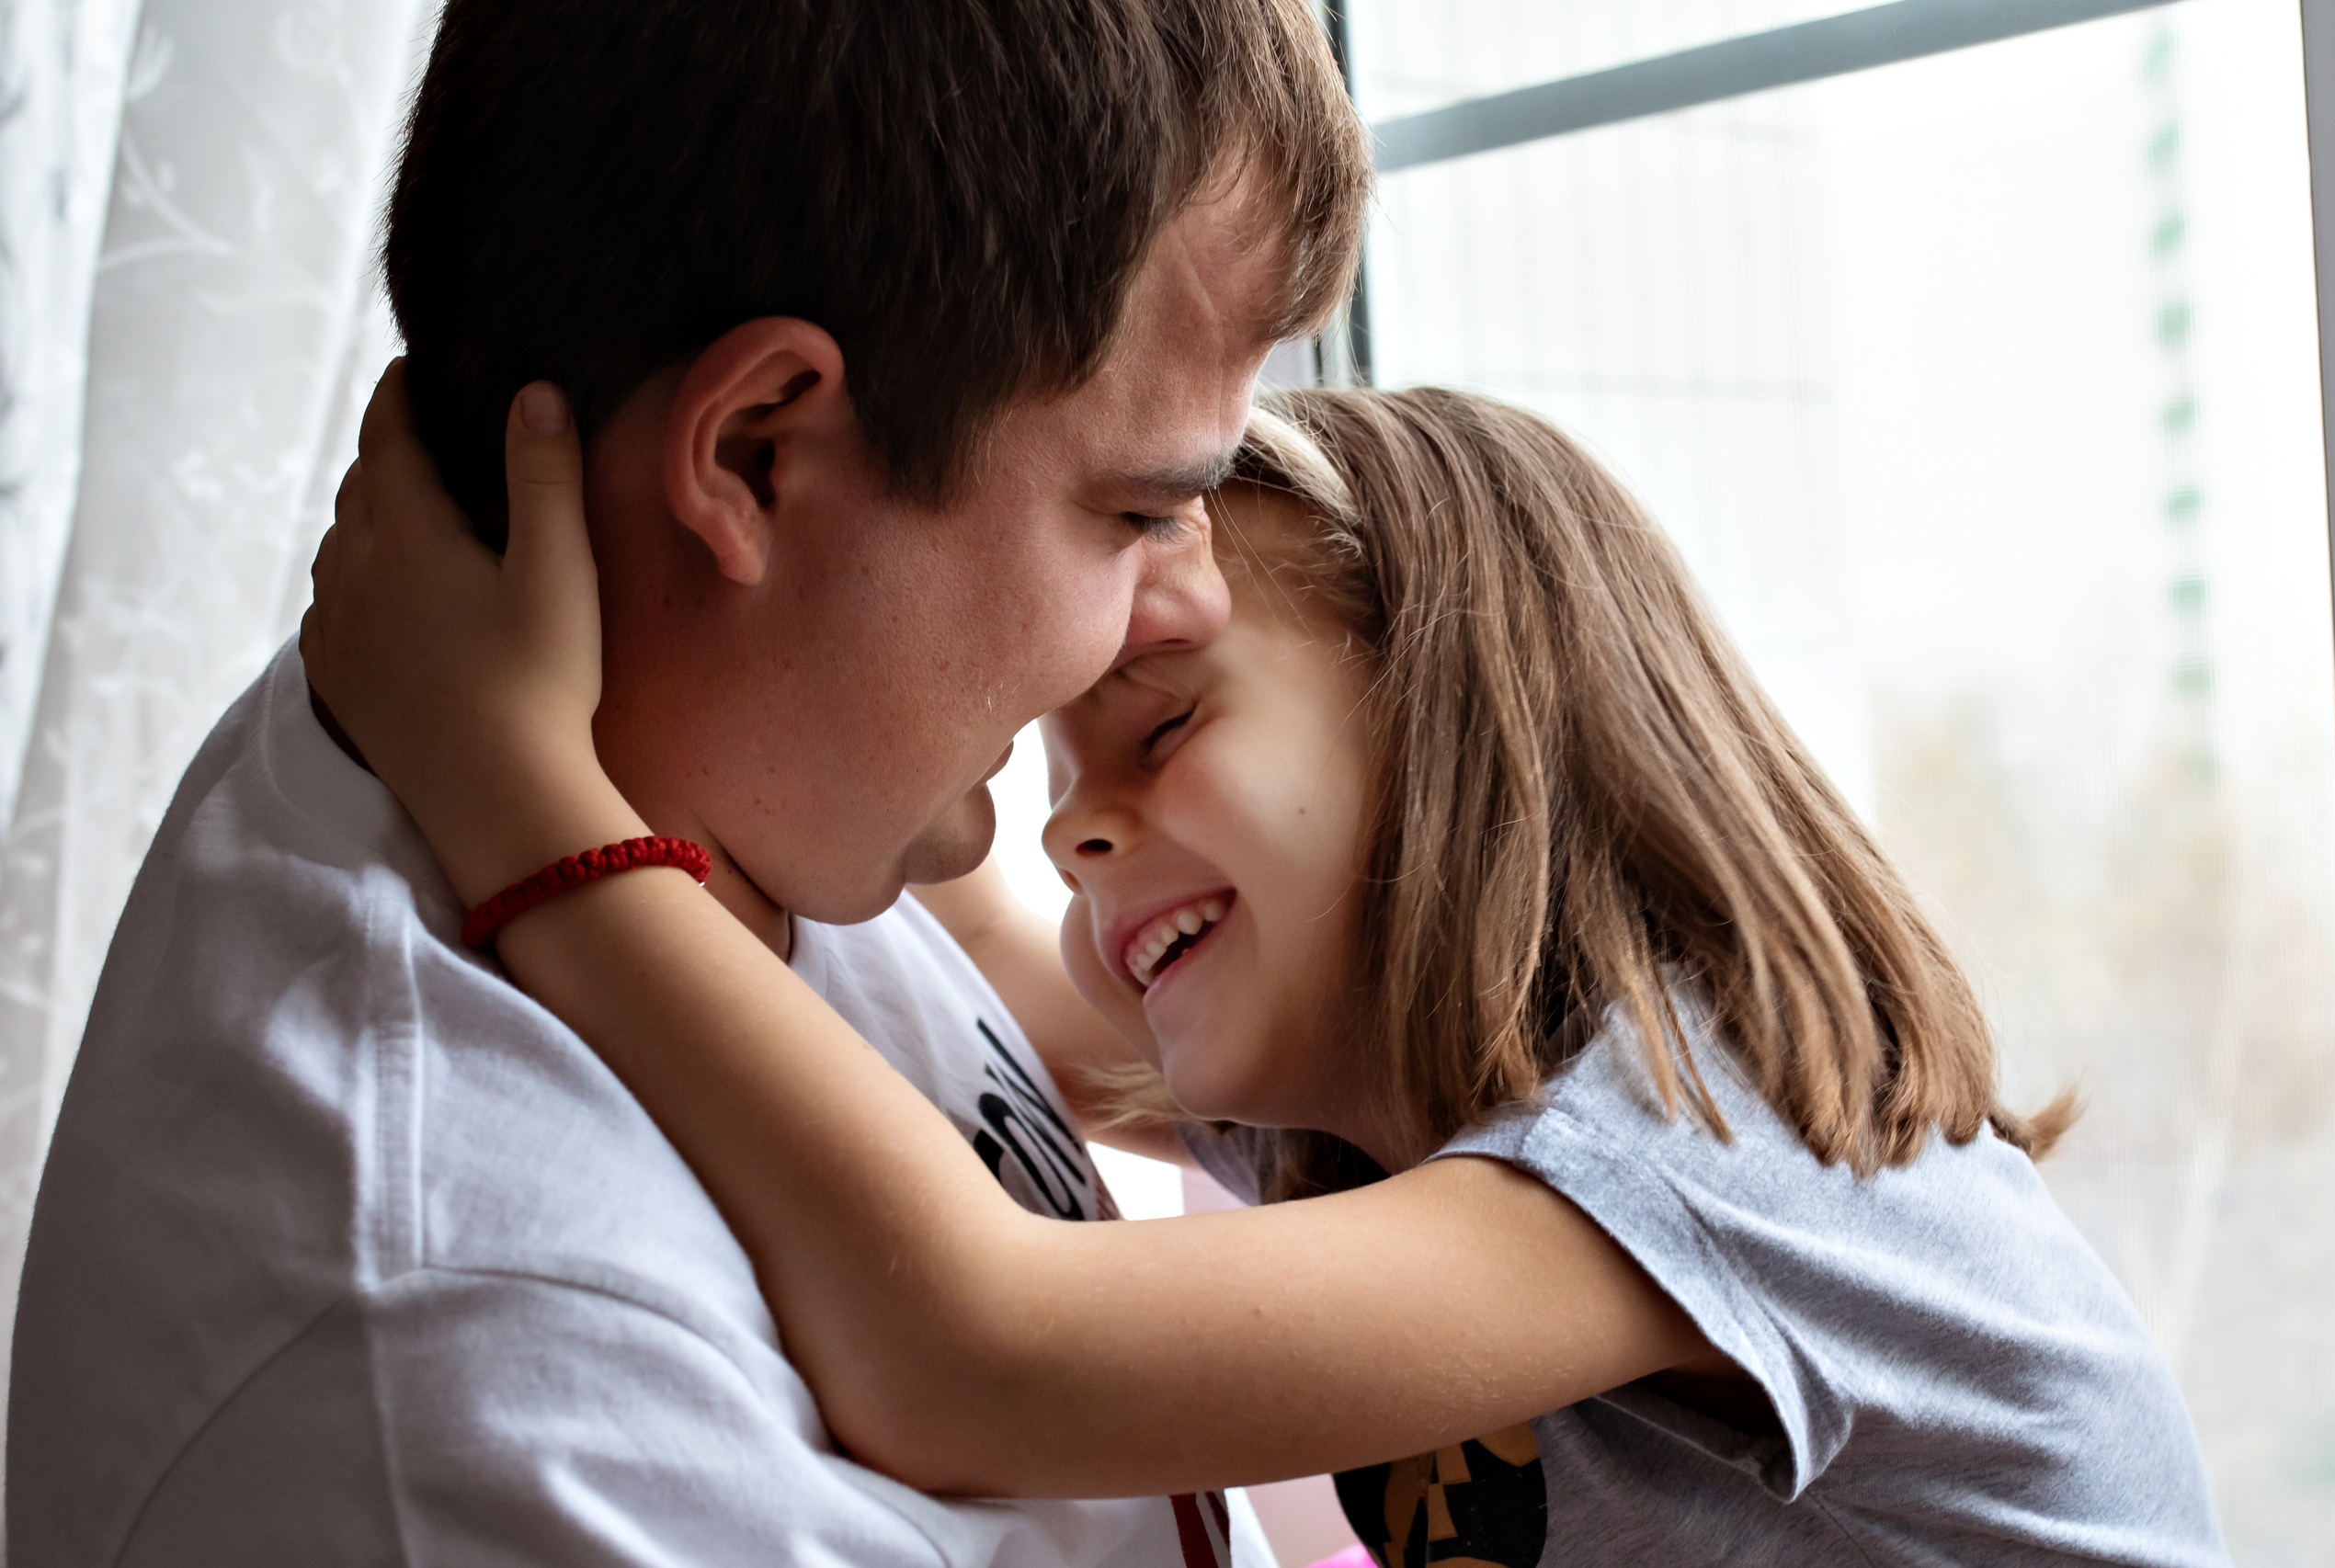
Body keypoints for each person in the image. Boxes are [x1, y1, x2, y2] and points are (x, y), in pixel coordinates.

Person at [302, 382, 2232, 1568]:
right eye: (1065, 786)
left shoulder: (1693, 1139)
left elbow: (971, 1354)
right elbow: (977, 940)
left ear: (1463, 712)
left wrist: (519, 792)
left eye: (1157, 731)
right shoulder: (1344, 1119)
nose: (1069, 830)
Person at [6, 0, 1368, 1562]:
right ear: (752, 458)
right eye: (1134, 512)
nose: (1186, 605)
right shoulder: (488, 1382)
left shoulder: (745, 759)